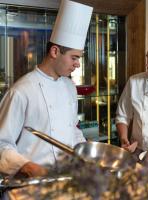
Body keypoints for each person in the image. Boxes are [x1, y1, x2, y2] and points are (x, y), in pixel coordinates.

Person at [0, 0, 93, 177]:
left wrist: (88, 155)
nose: (77, 64)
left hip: (66, 179)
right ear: (55, 52)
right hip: (30, 184)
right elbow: (2, 144)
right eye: (74, 57)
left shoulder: (69, 87)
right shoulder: (21, 91)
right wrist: (29, 167)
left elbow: (72, 130)